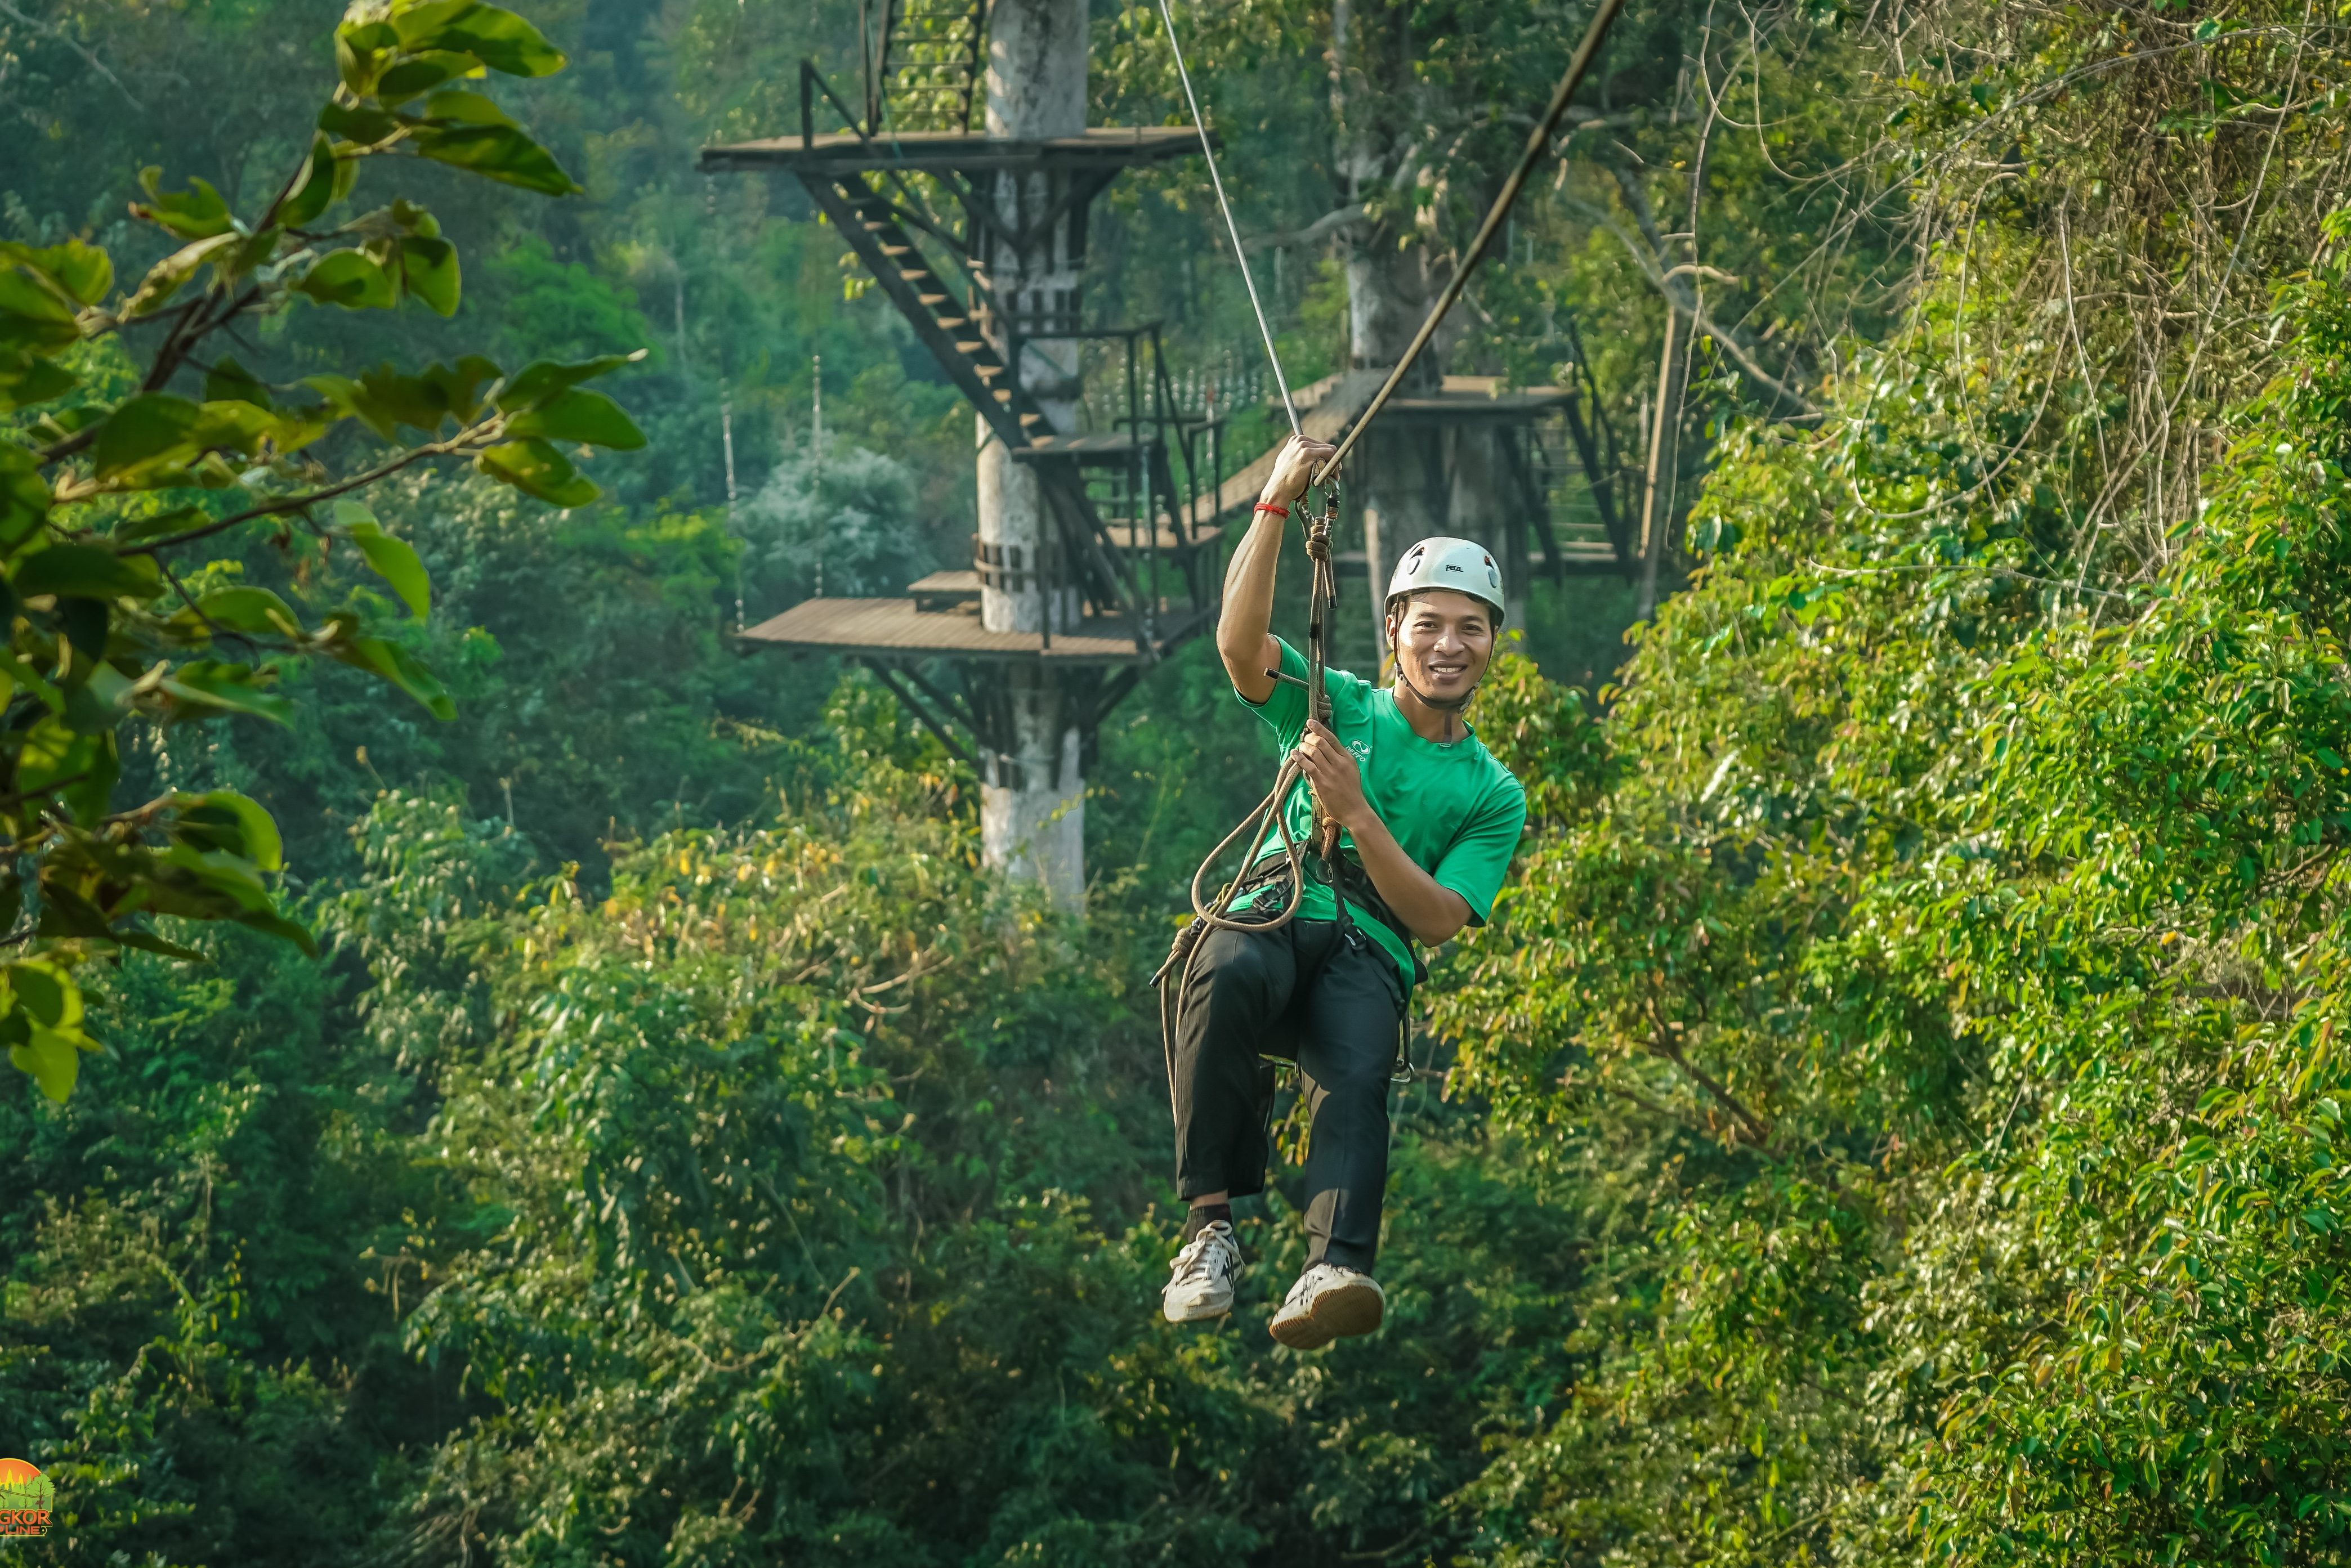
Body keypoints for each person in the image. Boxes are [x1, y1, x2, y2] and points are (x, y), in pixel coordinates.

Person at [1160, 433, 1530, 1349]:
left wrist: (1360, 813)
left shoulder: (1492, 790)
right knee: (1222, 966)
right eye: (1429, 625)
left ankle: (1337, 1262)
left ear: (1491, 644)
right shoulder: (1339, 702)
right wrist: (1277, 500)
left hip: (1370, 943)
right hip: (1285, 903)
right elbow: (1240, 646)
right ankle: (1210, 1227)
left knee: (1359, 1065)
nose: (1449, 646)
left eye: (1469, 628)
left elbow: (1442, 918)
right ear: (1394, 627)